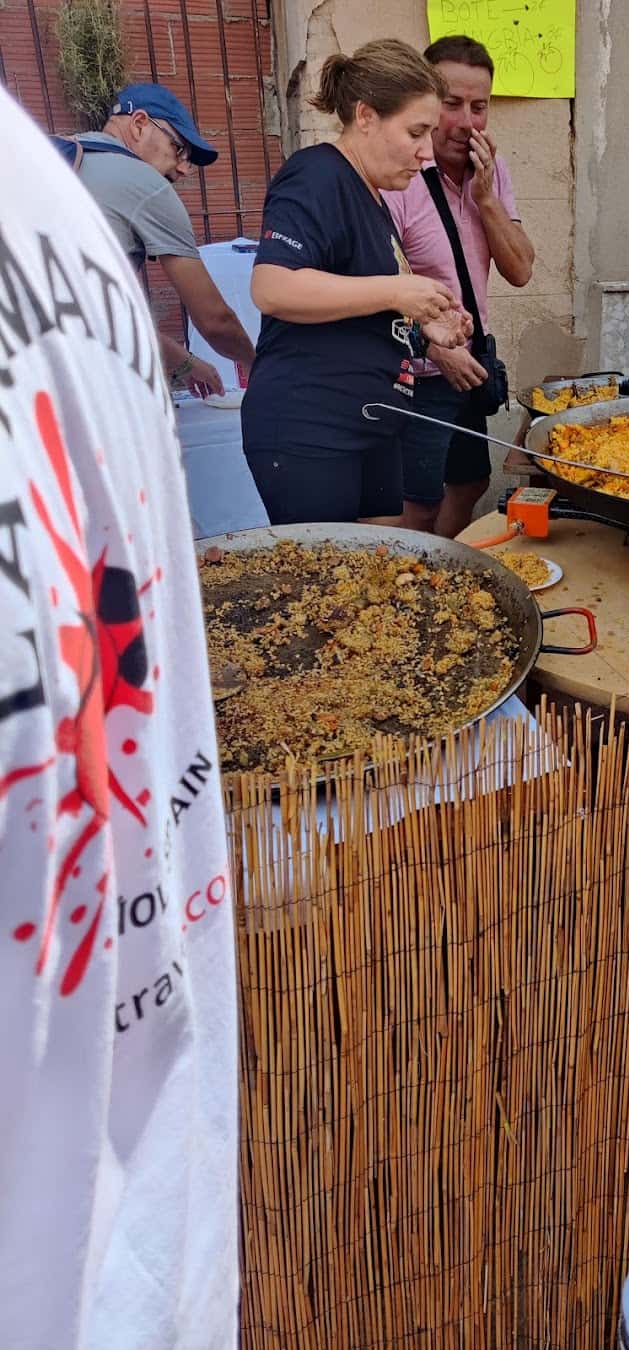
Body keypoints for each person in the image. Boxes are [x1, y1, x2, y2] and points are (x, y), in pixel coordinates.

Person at [0, 86, 237, 1346]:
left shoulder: (46, 188)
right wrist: (234, 359)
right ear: (139, 132)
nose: (182, 175)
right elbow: (203, 299)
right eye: (179, 153)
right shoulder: (97, 196)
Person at [242, 39, 471, 526]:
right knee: (333, 587)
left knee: (378, 577)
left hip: (373, 422)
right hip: (312, 427)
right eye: (416, 131)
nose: (426, 152)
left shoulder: (377, 198)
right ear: (366, 116)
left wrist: (426, 328)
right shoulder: (318, 174)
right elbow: (273, 286)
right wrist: (394, 291)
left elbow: (357, 309)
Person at [383, 35, 535, 537]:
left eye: (479, 106)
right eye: (451, 104)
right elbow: (380, 279)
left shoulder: (492, 170)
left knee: (471, 482)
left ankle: (441, 567)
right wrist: (431, 341)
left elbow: (521, 270)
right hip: (423, 370)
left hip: (471, 361)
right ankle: (417, 587)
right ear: (426, 101)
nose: (466, 121)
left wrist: (487, 199)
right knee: (417, 503)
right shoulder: (402, 171)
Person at [67, 82, 257, 395]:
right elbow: (215, 320)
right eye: (178, 149)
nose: (183, 169)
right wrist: (255, 363)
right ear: (139, 124)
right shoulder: (145, 183)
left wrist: (183, 361)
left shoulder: (62, 157)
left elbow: (99, 312)